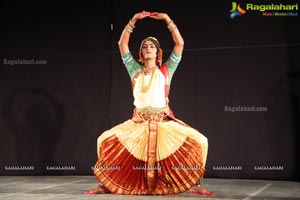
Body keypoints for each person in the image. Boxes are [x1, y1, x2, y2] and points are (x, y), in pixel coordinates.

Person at [85, 11, 214, 196]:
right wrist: (134, 20)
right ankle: (105, 184)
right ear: (140, 53)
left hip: (163, 122)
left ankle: (196, 184)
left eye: (152, 46)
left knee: (201, 141)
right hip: (138, 123)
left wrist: (167, 20)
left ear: (158, 52)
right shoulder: (134, 70)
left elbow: (180, 44)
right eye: (145, 46)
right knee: (103, 139)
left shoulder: (166, 70)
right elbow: (122, 44)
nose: (148, 48)